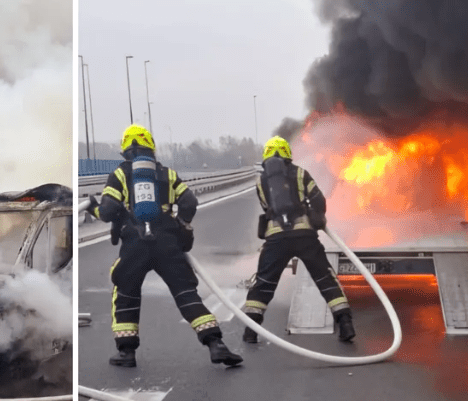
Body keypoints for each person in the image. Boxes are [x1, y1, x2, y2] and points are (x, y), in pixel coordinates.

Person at [87, 124, 243, 368]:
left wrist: (92, 209)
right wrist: (182, 225)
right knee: (186, 293)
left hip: (135, 245)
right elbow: (189, 202)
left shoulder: (120, 174)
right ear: (151, 149)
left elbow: (107, 212)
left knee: (126, 292)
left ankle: (126, 353)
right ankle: (216, 344)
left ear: (126, 151)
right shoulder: (167, 174)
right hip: (167, 243)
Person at [243, 136, 355, 343]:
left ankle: (250, 332)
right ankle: (345, 324)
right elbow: (319, 200)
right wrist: (315, 215)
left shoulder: (261, 181)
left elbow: (267, 208)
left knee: (264, 283)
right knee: (324, 278)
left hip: (276, 239)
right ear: (288, 153)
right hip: (304, 236)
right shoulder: (301, 173)